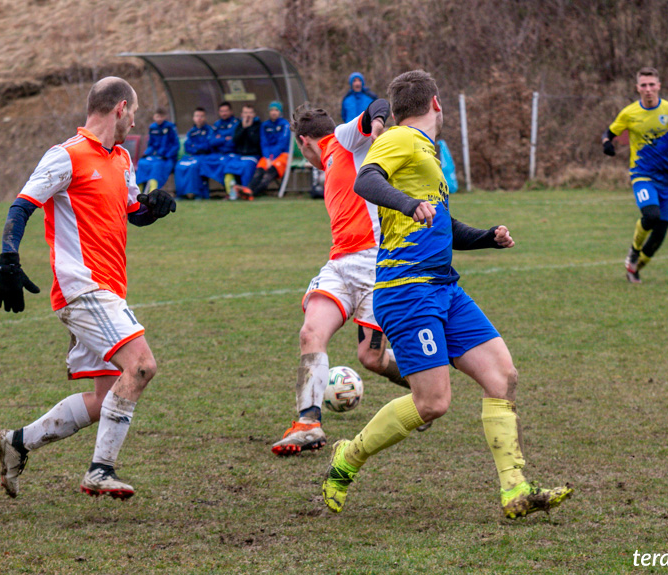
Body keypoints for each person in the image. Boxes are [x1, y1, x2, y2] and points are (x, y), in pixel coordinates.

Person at [321, 70, 573, 519]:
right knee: (433, 403)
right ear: (436, 103)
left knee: (502, 376)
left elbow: (441, 225)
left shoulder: (428, 153)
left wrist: (485, 237)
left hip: (443, 285)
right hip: (407, 288)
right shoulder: (400, 138)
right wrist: (404, 203)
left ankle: (515, 490)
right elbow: (366, 181)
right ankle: (348, 457)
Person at [0, 77, 176, 500]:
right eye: (134, 112)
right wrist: (8, 259)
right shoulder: (66, 156)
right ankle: (100, 470)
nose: (135, 120)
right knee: (142, 366)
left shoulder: (123, 158)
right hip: (83, 289)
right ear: (120, 109)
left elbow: (133, 212)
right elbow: (22, 205)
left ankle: (17, 442)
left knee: (104, 398)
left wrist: (154, 206)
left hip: (110, 288)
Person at [271, 99, 416, 457]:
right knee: (311, 333)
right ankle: (308, 423)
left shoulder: (342, 140)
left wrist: (379, 123)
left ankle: (422, 389)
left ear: (303, 141)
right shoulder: (336, 156)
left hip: (374, 263)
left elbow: (377, 104)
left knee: (371, 357)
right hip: (339, 264)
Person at [602, 67, 668, 283]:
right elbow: (608, 133)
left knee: (660, 233)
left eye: (651, 84)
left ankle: (634, 268)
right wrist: (607, 143)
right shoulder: (629, 113)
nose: (648, 89)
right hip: (642, 175)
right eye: (643, 85)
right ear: (637, 88)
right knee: (651, 215)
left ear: (659, 86)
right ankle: (634, 251)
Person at [236, 101, 290, 199]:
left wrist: (272, 158)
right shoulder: (265, 125)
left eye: (276, 110)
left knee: (268, 175)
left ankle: (251, 193)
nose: (274, 112)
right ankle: (248, 190)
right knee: (259, 172)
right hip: (267, 156)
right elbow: (263, 143)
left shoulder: (284, 124)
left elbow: (282, 143)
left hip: (282, 155)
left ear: (280, 112)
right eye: (272, 110)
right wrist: (267, 157)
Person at [221, 104, 262, 200]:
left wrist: (249, 128)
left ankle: (245, 193)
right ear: (241, 114)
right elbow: (235, 140)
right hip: (239, 156)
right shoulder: (239, 125)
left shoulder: (258, 126)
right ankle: (231, 193)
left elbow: (255, 141)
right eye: (245, 113)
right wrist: (243, 128)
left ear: (254, 114)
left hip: (253, 156)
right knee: (228, 168)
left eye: (250, 113)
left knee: (246, 167)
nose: (247, 115)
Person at [201, 101, 240, 198]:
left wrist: (220, 138)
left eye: (226, 111)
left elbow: (233, 141)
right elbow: (212, 141)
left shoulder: (236, 123)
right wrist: (224, 138)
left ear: (231, 111)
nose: (224, 113)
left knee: (226, 165)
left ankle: (232, 193)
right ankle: (204, 195)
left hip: (232, 153)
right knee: (203, 163)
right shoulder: (217, 124)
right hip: (218, 153)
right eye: (222, 111)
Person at [135, 107, 179, 192]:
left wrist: (167, 155)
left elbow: (175, 145)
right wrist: (146, 153)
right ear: (154, 117)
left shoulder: (170, 127)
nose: (159, 119)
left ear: (165, 117)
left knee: (157, 165)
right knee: (142, 163)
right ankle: (138, 190)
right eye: (157, 116)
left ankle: (153, 190)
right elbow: (151, 144)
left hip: (167, 158)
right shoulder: (153, 127)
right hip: (155, 156)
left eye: (161, 117)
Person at [174, 107, 213, 200]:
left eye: (201, 116)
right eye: (197, 116)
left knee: (194, 166)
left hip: (204, 156)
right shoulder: (191, 132)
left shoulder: (209, 130)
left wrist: (196, 147)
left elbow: (208, 145)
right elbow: (187, 146)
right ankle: (181, 194)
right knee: (179, 166)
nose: (199, 118)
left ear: (205, 118)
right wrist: (196, 149)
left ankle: (197, 194)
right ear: (193, 118)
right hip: (192, 156)